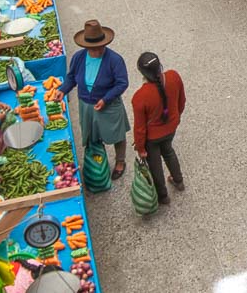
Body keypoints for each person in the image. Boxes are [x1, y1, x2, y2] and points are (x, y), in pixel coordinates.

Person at [50, 21, 132, 180]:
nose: (96, 51)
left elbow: (122, 83)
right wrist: (63, 90)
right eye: (92, 48)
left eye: (99, 47)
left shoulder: (114, 60)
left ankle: (120, 162)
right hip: (86, 105)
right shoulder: (79, 57)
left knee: (116, 133)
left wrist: (106, 98)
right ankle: (96, 161)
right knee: (91, 134)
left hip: (108, 104)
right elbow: (72, 77)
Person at [132, 52, 186, 205]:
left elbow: (140, 128)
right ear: (160, 65)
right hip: (171, 127)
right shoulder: (174, 77)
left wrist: (141, 148)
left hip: (152, 137)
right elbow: (181, 101)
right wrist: (176, 117)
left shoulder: (140, 97)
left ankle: (163, 196)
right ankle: (178, 181)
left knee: (155, 164)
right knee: (168, 151)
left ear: (142, 73)